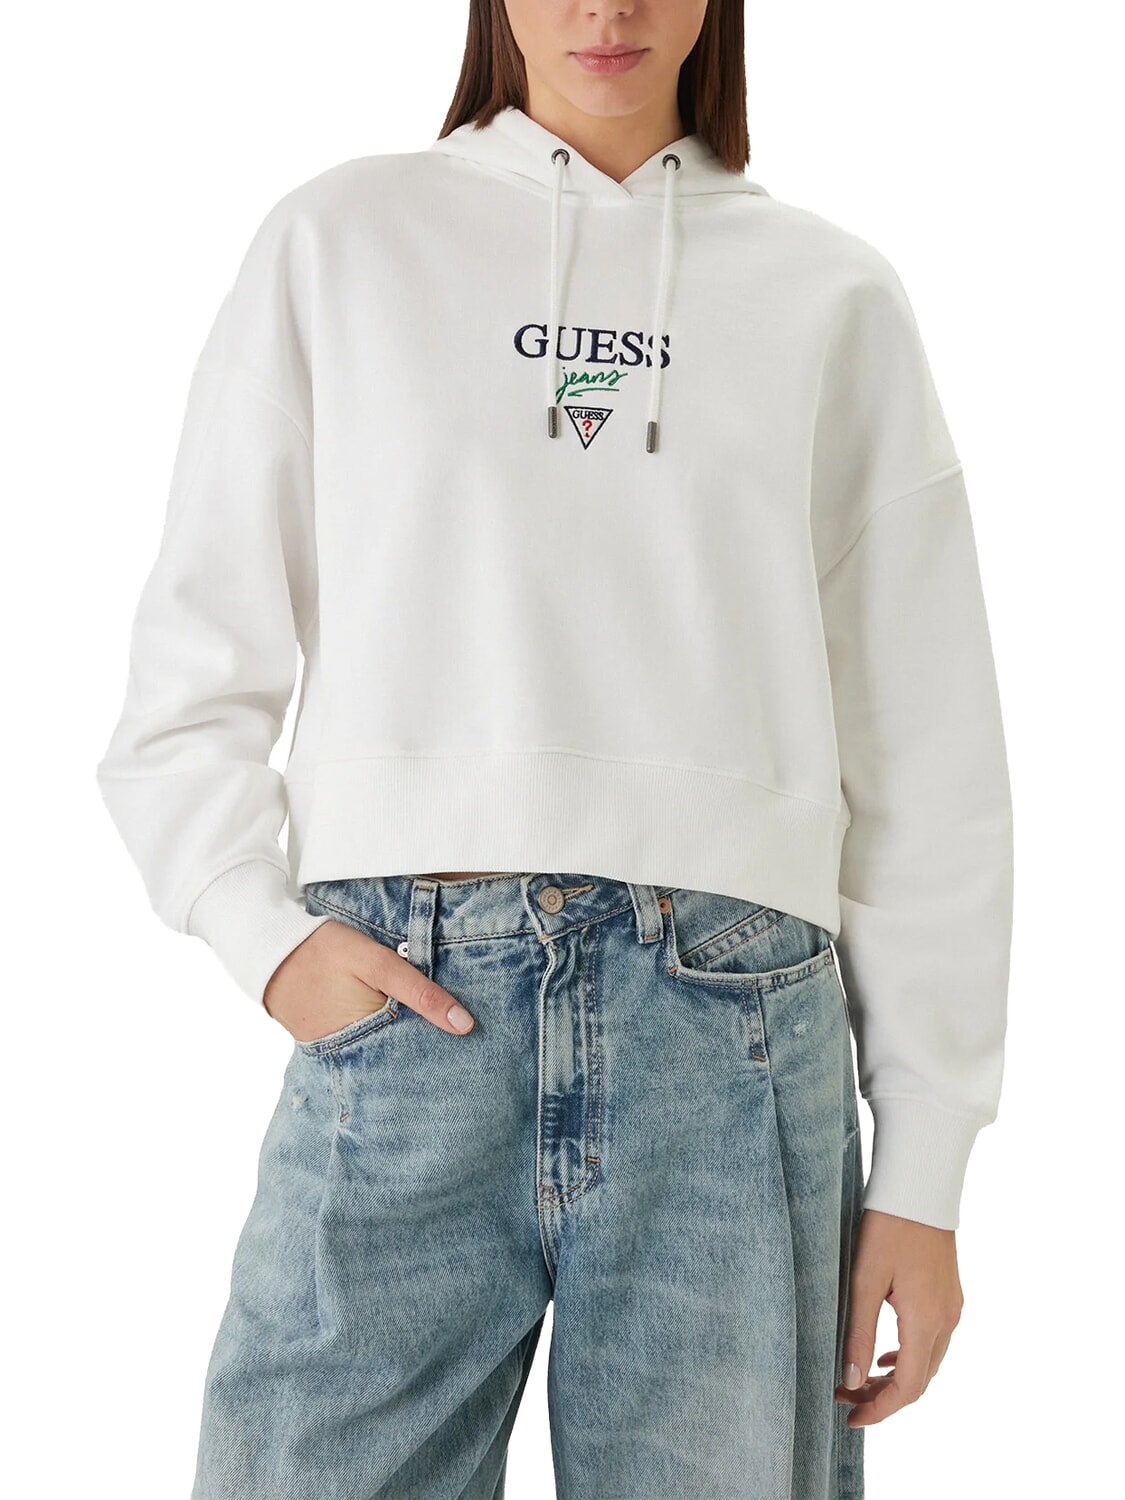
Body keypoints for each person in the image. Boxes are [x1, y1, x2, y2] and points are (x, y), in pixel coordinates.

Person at [93, 2, 1014, 1496]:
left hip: (730, 1033)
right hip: (409, 1008)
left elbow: (927, 750)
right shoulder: (342, 241)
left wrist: (926, 1166)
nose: (606, 8)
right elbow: (194, 664)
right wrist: (255, 931)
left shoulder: (829, 294)